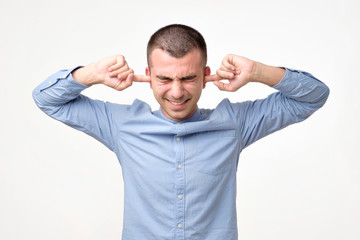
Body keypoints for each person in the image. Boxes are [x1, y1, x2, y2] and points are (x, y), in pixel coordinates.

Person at [33, 24, 329, 240]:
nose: (176, 92)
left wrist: (257, 72)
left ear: (205, 76)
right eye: (164, 79)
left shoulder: (234, 124)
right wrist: (91, 74)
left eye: (188, 78)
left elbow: (314, 96)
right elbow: (47, 99)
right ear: (147, 77)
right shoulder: (122, 125)